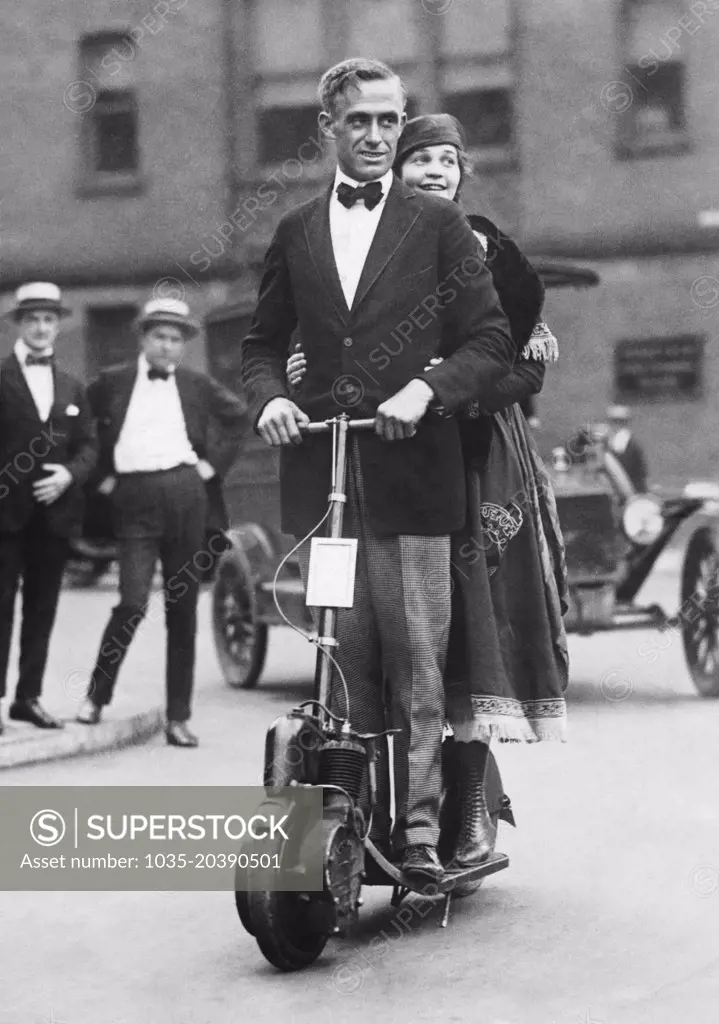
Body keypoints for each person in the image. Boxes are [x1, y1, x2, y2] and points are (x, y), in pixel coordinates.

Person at [241, 59, 516, 885]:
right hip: (327, 479)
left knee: (419, 659)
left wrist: (425, 389)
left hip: (414, 476)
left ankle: (424, 833)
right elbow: (261, 344)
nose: (375, 137)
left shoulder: (436, 224)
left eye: (390, 122)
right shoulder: (294, 231)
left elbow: (492, 340)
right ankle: (342, 828)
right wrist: (268, 401)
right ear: (327, 127)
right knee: (342, 657)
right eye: (358, 121)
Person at [287, 112, 569, 870]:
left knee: (469, 626)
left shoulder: (485, 251)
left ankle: (469, 806)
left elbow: (523, 360)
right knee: (362, 629)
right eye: (420, 161)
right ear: (392, 176)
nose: (436, 171)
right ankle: (358, 802)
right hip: (374, 457)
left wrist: (445, 393)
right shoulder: (359, 251)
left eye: (448, 160)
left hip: (476, 458)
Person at [77, 297, 248, 747]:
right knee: (132, 602)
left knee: (182, 609)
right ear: (143, 337)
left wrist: (212, 467)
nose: (168, 346)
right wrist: (100, 480)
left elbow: (238, 417)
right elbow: (79, 427)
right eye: (160, 337)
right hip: (132, 499)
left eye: (176, 339)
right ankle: (96, 696)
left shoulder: (196, 385)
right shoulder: (112, 383)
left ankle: (178, 716)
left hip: (187, 496)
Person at [0, 282, 98, 733]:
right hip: (6, 517)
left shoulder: (71, 385)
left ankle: (28, 698)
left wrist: (68, 476)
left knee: (43, 607)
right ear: (19, 324)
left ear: (58, 326)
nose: (41, 327)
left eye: (49, 319)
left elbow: (89, 448)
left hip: (55, 517)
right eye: (33, 319)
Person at [606, 404, 648, 492]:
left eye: (618, 421)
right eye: (613, 421)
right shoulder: (610, 441)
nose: (615, 425)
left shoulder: (629, 444)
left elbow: (640, 473)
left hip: (630, 490)